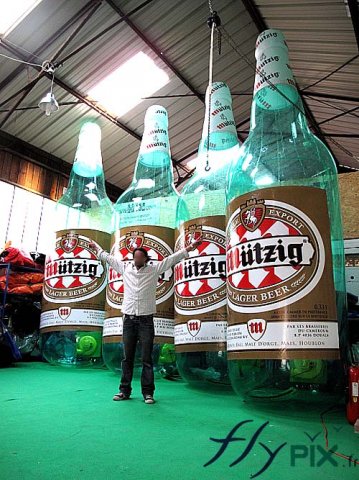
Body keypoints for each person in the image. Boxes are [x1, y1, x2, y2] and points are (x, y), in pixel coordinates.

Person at [91, 237, 202, 404]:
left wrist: (191, 247)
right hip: (128, 320)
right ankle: (124, 391)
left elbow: (172, 259)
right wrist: (96, 247)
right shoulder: (125, 268)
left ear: (145, 259)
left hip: (146, 321)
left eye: (140, 257)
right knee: (127, 357)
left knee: (146, 358)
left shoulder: (154, 269)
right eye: (135, 257)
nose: (137, 260)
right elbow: (107, 257)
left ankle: (148, 393)